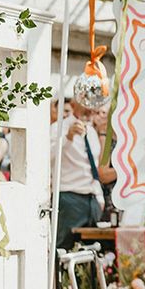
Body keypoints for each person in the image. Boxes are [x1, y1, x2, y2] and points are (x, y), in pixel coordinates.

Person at [51, 97, 116, 251]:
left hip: (92, 200)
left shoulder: (91, 132)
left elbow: (91, 167)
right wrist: (68, 137)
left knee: (92, 250)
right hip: (69, 197)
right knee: (63, 248)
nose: (91, 108)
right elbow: (49, 156)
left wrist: (98, 197)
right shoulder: (58, 128)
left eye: (93, 104)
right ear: (74, 104)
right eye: (86, 104)